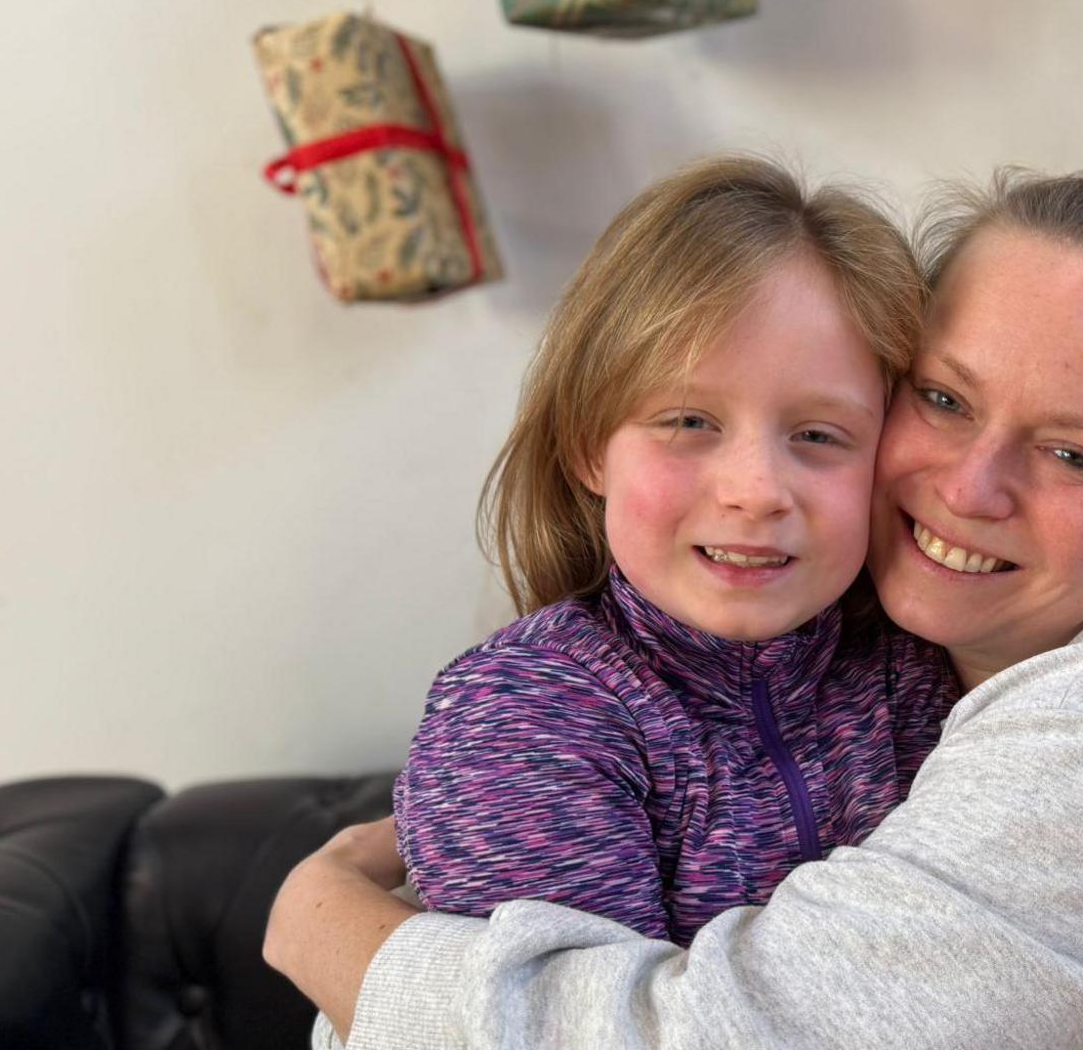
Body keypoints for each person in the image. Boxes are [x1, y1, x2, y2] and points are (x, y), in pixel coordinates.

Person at [267, 169, 1083, 1049]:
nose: (970, 490)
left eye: (1072, 452)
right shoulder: (537, 713)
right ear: (586, 441)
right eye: (947, 400)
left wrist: (322, 927)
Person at [387, 155, 960, 949]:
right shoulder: (523, 718)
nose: (757, 490)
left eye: (820, 435)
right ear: (590, 447)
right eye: (689, 421)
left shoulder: (927, 675)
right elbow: (573, 1026)